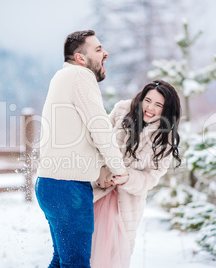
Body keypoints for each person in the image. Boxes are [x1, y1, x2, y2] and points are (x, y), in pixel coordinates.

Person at [35, 30, 128, 268]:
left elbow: (77, 137)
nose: (105, 53)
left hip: (50, 185)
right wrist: (118, 169)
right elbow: (98, 127)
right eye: (98, 49)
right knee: (74, 264)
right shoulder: (80, 76)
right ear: (80, 58)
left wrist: (99, 169)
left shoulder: (61, 77)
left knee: (62, 261)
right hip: (68, 190)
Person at [91, 80, 182, 268]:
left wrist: (128, 178)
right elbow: (96, 142)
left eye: (158, 105)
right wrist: (100, 172)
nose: (150, 108)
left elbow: (151, 178)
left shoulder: (165, 137)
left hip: (126, 203)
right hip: (95, 193)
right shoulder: (122, 110)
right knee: (86, 251)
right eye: (147, 100)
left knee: (114, 257)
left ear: (166, 110)